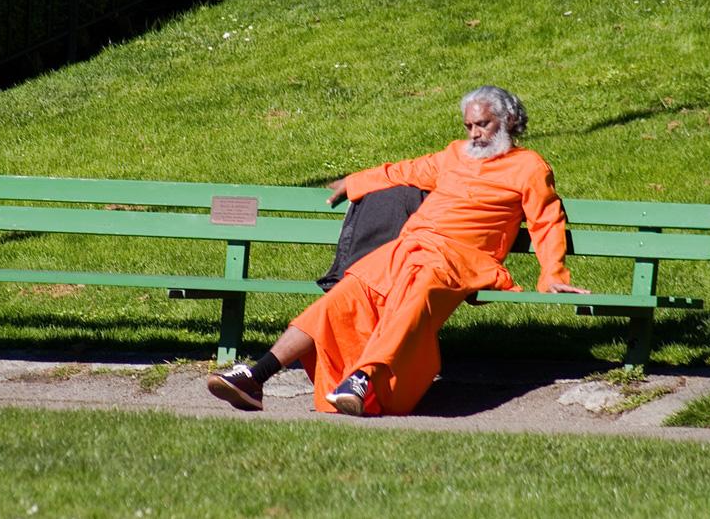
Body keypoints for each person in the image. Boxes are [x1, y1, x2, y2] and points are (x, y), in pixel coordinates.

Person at [207, 85, 589, 416]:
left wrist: (553, 274)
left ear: (508, 121)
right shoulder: (455, 155)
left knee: (414, 297)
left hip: (460, 261)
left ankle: (363, 378)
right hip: (408, 249)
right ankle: (256, 376)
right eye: (469, 126)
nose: (474, 134)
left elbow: (546, 221)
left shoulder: (529, 167)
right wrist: (356, 181)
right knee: (341, 298)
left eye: (483, 124)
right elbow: (404, 171)